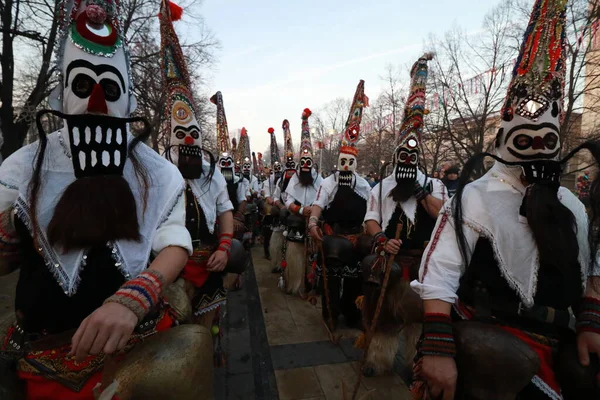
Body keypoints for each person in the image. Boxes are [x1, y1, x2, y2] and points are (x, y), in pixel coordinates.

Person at [0, 0, 217, 398]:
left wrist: (134, 298)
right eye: (82, 86)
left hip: (140, 349)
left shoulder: (156, 173)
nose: (96, 103)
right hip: (46, 360)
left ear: (129, 102)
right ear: (60, 95)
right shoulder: (22, 168)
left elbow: (173, 242)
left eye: (110, 89)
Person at [411, 1, 600, 399]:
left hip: (561, 343)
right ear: (502, 142)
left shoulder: (573, 205)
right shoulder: (474, 197)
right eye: (523, 141)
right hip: (493, 343)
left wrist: (589, 321)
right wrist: (438, 346)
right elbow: (441, 268)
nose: (535, 151)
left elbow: (589, 270)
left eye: (545, 141)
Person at [361, 53, 447, 377]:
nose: (408, 160)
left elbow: (443, 218)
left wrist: (423, 193)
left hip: (423, 261)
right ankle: (377, 357)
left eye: (413, 156)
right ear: (396, 157)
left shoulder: (435, 184)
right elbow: (370, 219)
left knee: (417, 317)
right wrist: (382, 239)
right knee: (381, 308)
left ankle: (415, 362)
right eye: (403, 156)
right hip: (390, 258)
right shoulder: (382, 185)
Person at [160, 0, 236, 330]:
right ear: (170, 136)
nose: (190, 141)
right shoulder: (156, 172)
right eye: (183, 135)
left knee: (206, 330)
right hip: (166, 267)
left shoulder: (211, 172)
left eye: (194, 133)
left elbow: (224, 209)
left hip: (209, 262)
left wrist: (224, 246)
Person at [309, 80, 371, 330]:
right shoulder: (328, 182)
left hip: (357, 237)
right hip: (334, 236)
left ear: (355, 162)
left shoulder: (364, 184)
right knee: (332, 276)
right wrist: (313, 220)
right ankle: (331, 313)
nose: (346, 165)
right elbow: (318, 204)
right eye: (342, 161)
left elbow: (371, 211)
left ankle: (352, 312)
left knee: (357, 276)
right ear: (338, 160)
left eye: (350, 161)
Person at [281, 109, 323, 295]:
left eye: (308, 162)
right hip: (297, 221)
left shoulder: (320, 180)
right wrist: (298, 210)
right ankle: (295, 283)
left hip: (314, 221)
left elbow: (323, 198)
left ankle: (311, 284)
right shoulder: (294, 178)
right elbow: (287, 198)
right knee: (294, 252)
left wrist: (313, 211)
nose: (305, 165)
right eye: (303, 162)